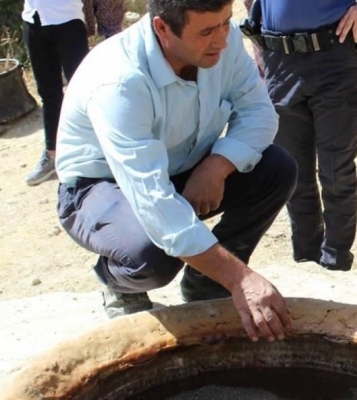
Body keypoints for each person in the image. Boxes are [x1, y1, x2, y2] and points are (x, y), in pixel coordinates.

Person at [55, 0, 298, 342]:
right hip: (101, 186)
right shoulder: (120, 81)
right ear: (162, 28)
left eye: (227, 23)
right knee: (152, 255)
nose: (223, 40)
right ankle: (119, 284)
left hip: (182, 166)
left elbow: (260, 114)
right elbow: (153, 200)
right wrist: (241, 279)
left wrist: (217, 165)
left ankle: (205, 283)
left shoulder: (221, 46)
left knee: (277, 168)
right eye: (207, 31)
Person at [252, 0, 357, 271]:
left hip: (334, 58)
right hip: (278, 61)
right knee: (292, 169)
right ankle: (307, 255)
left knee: (335, 169)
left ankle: (336, 256)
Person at [21, 0, 89, 186]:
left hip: (66, 20)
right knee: (48, 93)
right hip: (33, 20)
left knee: (83, 90)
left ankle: (95, 152)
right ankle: (52, 154)